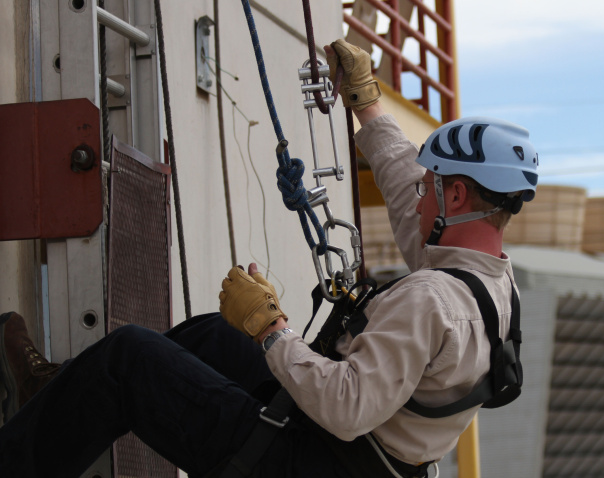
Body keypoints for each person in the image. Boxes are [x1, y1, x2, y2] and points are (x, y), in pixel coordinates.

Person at [0, 38, 538, 478]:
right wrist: (365, 102)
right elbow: (402, 185)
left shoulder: (431, 300)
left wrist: (271, 328)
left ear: (457, 197)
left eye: (429, 188)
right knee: (215, 335)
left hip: (307, 458)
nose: (418, 198)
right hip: (350, 453)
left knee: (129, 360)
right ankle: (56, 397)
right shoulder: (486, 287)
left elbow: (347, 407)